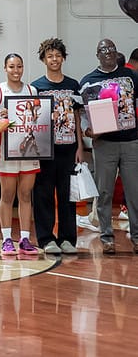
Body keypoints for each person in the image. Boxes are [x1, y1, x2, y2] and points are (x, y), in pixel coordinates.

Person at [80, 38, 138, 255]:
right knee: (104, 192)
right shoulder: (88, 81)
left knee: (134, 192)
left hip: (131, 141)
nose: (108, 53)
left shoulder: (130, 76)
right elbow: (82, 114)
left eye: (112, 49)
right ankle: (106, 237)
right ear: (97, 54)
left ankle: (137, 237)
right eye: (103, 50)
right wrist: (88, 130)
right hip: (104, 144)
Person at [31, 38, 83, 256]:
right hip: (44, 150)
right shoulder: (36, 87)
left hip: (69, 148)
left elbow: (78, 117)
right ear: (44, 59)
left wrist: (80, 146)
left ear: (63, 58)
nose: (54, 59)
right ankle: (45, 238)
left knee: (67, 195)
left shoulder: (73, 85)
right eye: (50, 55)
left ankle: (67, 239)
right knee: (42, 195)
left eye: (58, 55)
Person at [0, 53, 40, 258]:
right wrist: (0, 119)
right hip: (6, 150)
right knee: (7, 195)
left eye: (19, 66)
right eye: (11, 67)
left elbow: (38, 118)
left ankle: (25, 239)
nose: (16, 70)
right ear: (5, 68)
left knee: (26, 194)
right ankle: (7, 239)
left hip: (28, 149)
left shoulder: (32, 90)